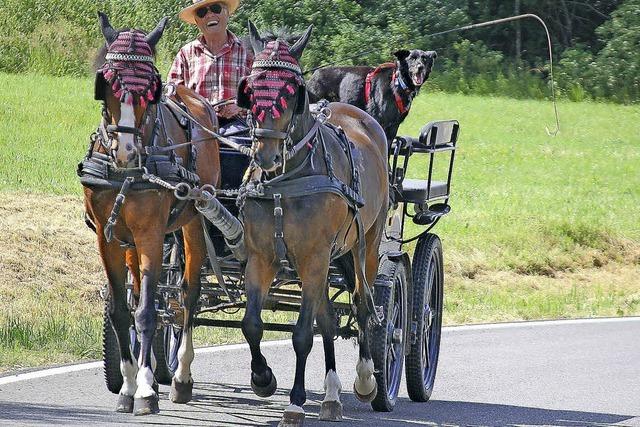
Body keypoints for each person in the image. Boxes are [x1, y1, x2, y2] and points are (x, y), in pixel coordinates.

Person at [168, 0, 252, 128]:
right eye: (202, 12)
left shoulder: (247, 52)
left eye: (215, 8)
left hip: (236, 125)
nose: (209, 15)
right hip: (195, 126)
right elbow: (171, 94)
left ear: (227, 13)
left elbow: (261, 95)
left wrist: (241, 107)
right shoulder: (185, 54)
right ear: (197, 21)